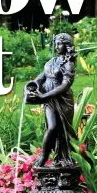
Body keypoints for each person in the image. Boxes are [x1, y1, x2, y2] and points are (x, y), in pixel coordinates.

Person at [25, 33, 77, 167]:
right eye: (56, 43)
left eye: (60, 43)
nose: (57, 46)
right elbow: (41, 78)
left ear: (67, 46)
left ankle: (60, 157)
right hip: (50, 101)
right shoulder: (52, 62)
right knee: (52, 127)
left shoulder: (68, 64)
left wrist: (43, 96)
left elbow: (65, 85)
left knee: (60, 130)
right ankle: (44, 156)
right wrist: (32, 86)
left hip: (63, 102)